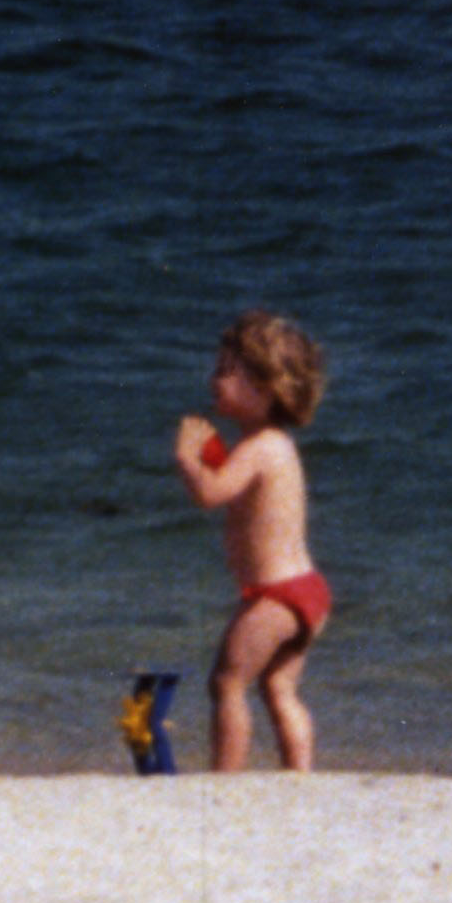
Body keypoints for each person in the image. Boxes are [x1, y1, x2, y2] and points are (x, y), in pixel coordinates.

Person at [173, 309, 329, 772]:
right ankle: (298, 775)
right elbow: (233, 488)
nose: (214, 379)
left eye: (225, 371)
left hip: (278, 596)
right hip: (305, 591)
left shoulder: (260, 446)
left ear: (264, 387)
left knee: (226, 682)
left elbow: (209, 493)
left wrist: (186, 458)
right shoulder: (271, 445)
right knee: (278, 689)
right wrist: (211, 455)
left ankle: (227, 779)